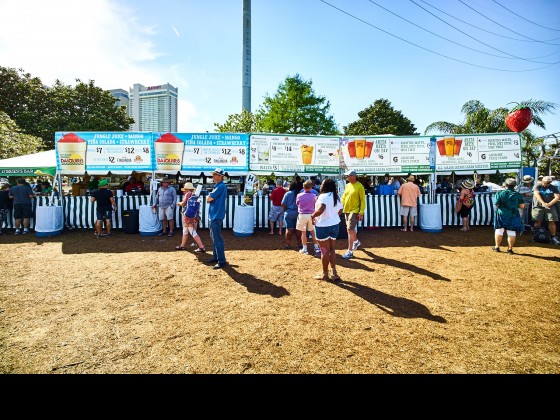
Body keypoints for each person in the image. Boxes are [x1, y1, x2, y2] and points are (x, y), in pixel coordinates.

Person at [311, 178, 343, 282]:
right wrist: (333, 216)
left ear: (325, 186)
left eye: (322, 184)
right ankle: (334, 273)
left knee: (324, 251)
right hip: (334, 225)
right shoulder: (335, 196)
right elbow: (340, 209)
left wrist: (313, 216)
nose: (320, 186)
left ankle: (325, 274)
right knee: (332, 250)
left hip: (323, 226)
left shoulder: (322, 196)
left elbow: (321, 208)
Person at [492, 178, 525, 254]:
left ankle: (497, 247)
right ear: (514, 186)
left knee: (499, 230)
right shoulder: (518, 195)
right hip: (513, 214)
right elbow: (522, 206)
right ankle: (510, 249)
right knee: (512, 231)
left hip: (501, 213)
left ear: (505, 185)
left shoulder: (499, 193)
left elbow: (496, 204)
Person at [206, 168, 228, 269]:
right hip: (215, 215)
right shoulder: (220, 186)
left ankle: (221, 261)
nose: (213, 176)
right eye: (214, 174)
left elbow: (209, 198)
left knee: (217, 238)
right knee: (214, 238)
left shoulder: (220, 186)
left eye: (215, 175)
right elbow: (209, 199)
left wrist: (209, 198)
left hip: (216, 215)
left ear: (220, 177)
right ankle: (216, 257)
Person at [341, 170, 366, 259]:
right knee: (351, 229)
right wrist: (341, 206)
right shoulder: (347, 185)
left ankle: (350, 251)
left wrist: (361, 212)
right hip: (346, 210)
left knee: (350, 230)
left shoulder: (360, 186)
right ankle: (356, 241)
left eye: (348, 176)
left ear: (353, 176)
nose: (347, 177)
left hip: (354, 211)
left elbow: (363, 200)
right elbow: (344, 197)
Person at [176, 182, 205, 252]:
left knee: (192, 232)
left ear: (187, 189)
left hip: (187, 216)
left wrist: (178, 203)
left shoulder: (187, 194)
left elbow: (183, 203)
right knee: (185, 231)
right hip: (193, 216)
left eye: (185, 189)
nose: (184, 191)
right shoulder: (194, 194)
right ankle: (182, 245)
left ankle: (201, 247)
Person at [531, 175, 560, 245]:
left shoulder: (553, 187)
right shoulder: (537, 185)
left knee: (552, 221)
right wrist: (543, 203)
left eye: (548, 183)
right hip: (538, 205)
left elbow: (557, 197)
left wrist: (549, 204)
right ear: (542, 181)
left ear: (550, 182)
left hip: (550, 206)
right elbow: (536, 194)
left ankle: (553, 237)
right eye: (544, 182)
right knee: (538, 221)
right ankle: (536, 235)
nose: (545, 184)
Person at [296, 180, 320, 256]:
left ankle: (305, 249)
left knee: (303, 232)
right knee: (313, 232)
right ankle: (316, 248)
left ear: (303, 187)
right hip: (311, 215)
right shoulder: (314, 196)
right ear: (311, 187)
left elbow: (297, 203)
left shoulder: (299, 195)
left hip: (302, 215)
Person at [281, 180, 302, 249]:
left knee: (289, 229)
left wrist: (285, 211)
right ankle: (299, 244)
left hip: (289, 213)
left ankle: (288, 244)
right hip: (298, 213)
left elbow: (283, 204)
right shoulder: (300, 194)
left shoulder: (287, 194)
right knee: (298, 230)